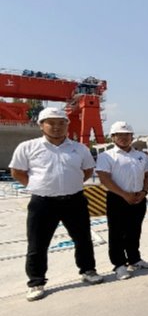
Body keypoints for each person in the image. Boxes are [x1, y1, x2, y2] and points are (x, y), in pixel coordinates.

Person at [10, 107, 104, 301]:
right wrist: (37, 186)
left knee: (83, 239)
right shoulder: (27, 147)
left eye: (61, 123)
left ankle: (88, 270)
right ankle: (36, 282)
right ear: (41, 125)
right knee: (37, 243)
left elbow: (87, 170)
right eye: (51, 123)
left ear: (67, 125)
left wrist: (72, 183)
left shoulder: (79, 148)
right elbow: (17, 172)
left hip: (74, 200)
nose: (57, 127)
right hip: (43, 203)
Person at [96, 121, 148, 280]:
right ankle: (119, 265)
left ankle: (134, 259)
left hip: (138, 197)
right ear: (113, 137)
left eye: (127, 134)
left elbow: (147, 176)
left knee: (134, 230)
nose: (123, 137)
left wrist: (144, 192)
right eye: (119, 135)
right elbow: (104, 178)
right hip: (117, 198)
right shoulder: (106, 156)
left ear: (132, 137)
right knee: (116, 233)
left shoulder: (141, 156)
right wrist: (124, 194)